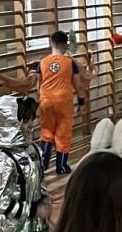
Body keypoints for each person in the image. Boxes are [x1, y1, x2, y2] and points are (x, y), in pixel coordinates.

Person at [0, 94, 51, 232]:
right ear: (11, 124)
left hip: (35, 229)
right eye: (25, 121)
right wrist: (34, 211)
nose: (31, 125)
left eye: (32, 120)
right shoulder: (3, 160)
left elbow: (41, 183)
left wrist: (46, 201)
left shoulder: (34, 151)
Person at [34, 30, 90, 176]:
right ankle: (61, 166)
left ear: (51, 44)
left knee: (46, 132)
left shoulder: (42, 62)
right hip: (64, 101)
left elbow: (38, 83)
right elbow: (78, 84)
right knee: (63, 133)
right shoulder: (70, 62)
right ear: (65, 45)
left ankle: (43, 164)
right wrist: (81, 102)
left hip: (46, 100)